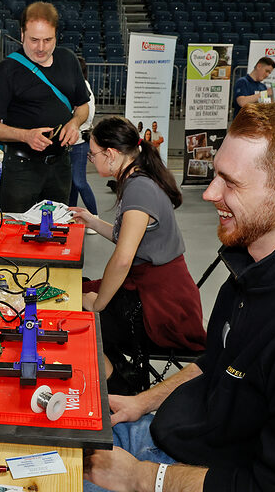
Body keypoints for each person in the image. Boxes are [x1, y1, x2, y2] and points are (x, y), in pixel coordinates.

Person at [84, 102, 275, 492]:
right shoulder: (250, 268)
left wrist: (145, 478)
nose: (211, 193)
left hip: (180, 473)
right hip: (165, 435)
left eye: (231, 183)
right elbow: (216, 363)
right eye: (216, 176)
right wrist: (142, 402)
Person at [70, 117, 205, 394]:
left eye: (93, 154)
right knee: (76, 291)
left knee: (79, 311)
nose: (91, 161)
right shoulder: (137, 178)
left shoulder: (138, 188)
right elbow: (129, 239)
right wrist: (92, 221)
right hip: (160, 291)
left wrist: (98, 305)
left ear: (111, 154)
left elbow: (122, 259)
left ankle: (123, 388)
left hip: (163, 307)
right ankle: (119, 375)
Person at [0, 1, 90, 212]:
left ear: (56, 36)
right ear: (22, 34)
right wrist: (26, 136)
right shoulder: (7, 70)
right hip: (21, 170)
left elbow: (82, 106)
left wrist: (75, 123)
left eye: (47, 40)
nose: (41, 48)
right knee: (16, 233)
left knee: (56, 230)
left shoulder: (69, 60)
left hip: (61, 166)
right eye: (34, 40)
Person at [68, 56, 98, 234]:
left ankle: (94, 217)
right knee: (72, 182)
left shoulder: (83, 88)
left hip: (80, 141)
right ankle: (69, 215)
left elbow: (86, 115)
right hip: (73, 141)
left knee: (79, 182)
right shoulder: (78, 86)